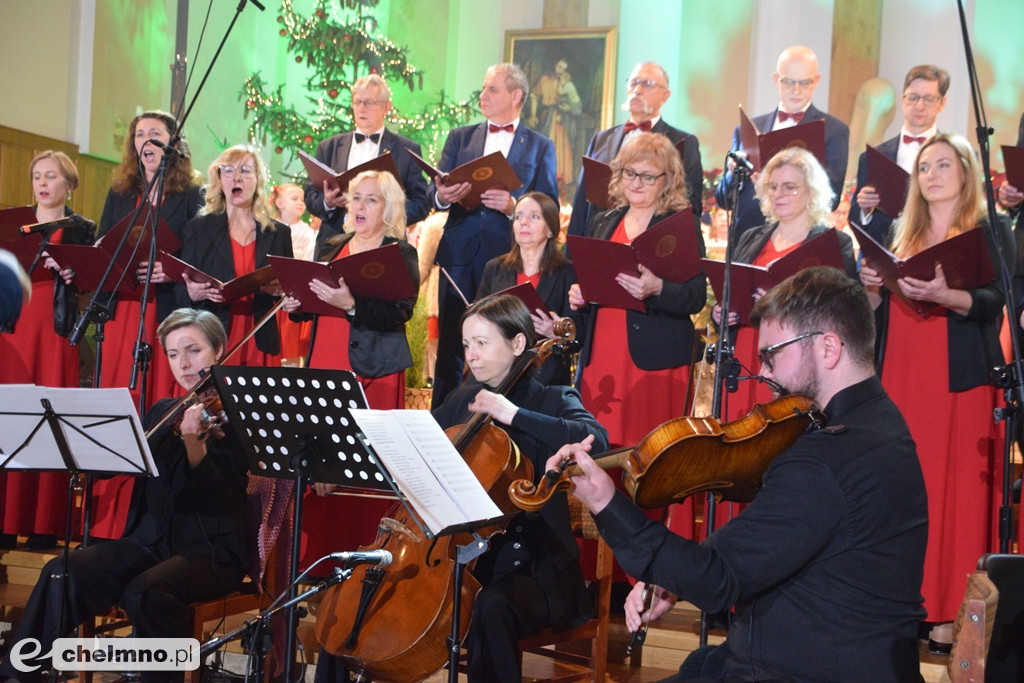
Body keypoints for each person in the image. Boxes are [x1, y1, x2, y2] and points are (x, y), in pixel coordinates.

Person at [562, 266, 928, 682]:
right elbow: (769, 538)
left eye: (772, 354)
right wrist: (675, 579)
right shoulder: (882, 424)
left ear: (828, 348)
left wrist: (606, 504)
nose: (765, 373)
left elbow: (720, 581)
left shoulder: (825, 459)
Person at [0, 309, 250, 683]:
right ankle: (21, 672)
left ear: (218, 350)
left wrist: (194, 446)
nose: (183, 363)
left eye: (193, 350)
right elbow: (117, 464)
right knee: (63, 570)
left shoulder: (239, 418)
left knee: (146, 592)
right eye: (172, 353)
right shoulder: (164, 411)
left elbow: (220, 496)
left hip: (211, 552)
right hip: (148, 542)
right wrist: (79, 450)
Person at [859, 132, 1012, 653]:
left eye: (943, 165)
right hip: (903, 371)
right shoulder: (904, 233)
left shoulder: (988, 228)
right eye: (924, 167)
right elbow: (874, 316)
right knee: (904, 490)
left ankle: (954, 613)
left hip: (960, 376)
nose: (932, 175)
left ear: (966, 172)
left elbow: (1002, 297)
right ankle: (904, 603)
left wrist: (953, 296)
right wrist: (872, 292)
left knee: (957, 490)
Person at [431, 294, 609, 683]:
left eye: (481, 342)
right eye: (466, 345)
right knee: (359, 588)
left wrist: (512, 414)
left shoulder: (552, 398)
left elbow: (598, 438)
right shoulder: (462, 400)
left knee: (489, 605)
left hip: (534, 569)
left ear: (517, 344)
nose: (471, 355)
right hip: (461, 563)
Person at [282, 169, 418, 570]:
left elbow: (401, 312)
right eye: (357, 198)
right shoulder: (332, 243)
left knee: (362, 465)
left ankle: (363, 563)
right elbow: (313, 297)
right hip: (326, 361)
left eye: (372, 200)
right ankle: (320, 564)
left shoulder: (400, 252)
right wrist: (297, 307)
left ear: (388, 208)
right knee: (323, 459)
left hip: (372, 370)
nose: (360, 206)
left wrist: (352, 305)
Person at [87, 111, 204, 541]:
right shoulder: (120, 191)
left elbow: (198, 252)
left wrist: (171, 272)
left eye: (157, 133)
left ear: (174, 143)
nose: (148, 140)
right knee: (122, 399)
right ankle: (111, 517)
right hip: (124, 312)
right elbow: (103, 244)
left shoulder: (191, 194)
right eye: (140, 134)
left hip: (167, 311)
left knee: (158, 402)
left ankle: (156, 510)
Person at [428, 63, 558, 406]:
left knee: (506, 346)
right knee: (452, 349)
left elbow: (550, 207)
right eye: (483, 89)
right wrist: (444, 196)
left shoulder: (541, 145)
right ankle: (444, 425)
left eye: (492, 90)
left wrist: (513, 206)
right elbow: (435, 192)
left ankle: (503, 425)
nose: (483, 96)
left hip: (507, 259)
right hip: (459, 256)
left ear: (516, 96)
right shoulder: (460, 137)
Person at [569, 132, 706, 450]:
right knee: (601, 445)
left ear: (667, 180)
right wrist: (582, 295)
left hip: (655, 358)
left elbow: (696, 295)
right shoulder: (603, 222)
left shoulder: (679, 225)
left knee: (649, 454)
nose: (636, 182)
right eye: (629, 173)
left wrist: (657, 288)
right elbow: (594, 283)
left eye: (647, 176)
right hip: (603, 350)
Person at [712, 147, 856, 422]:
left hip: (797, 361)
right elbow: (732, 291)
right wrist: (721, 312)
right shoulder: (751, 237)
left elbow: (843, 313)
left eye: (789, 187)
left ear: (811, 191)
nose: (778, 194)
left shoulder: (832, 243)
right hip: (746, 354)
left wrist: (784, 307)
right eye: (773, 187)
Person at [0, 151, 96, 551]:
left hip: (56, 332)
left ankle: (43, 524)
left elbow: (93, 280)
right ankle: (5, 521)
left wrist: (74, 274)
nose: (42, 183)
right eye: (37, 175)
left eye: (51, 176)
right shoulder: (13, 224)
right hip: (15, 327)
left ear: (68, 185)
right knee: (10, 417)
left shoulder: (82, 229)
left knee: (49, 418)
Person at [715, 45, 849, 239]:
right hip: (748, 238)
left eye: (804, 83)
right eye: (788, 82)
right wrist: (731, 175)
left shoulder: (833, 131)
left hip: (800, 240)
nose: (796, 90)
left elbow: (832, 199)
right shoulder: (747, 130)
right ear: (776, 80)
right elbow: (724, 200)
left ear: (816, 81)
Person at [176, 144, 293, 367]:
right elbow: (180, 293)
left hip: (260, 341)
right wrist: (192, 293)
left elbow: (292, 292)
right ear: (219, 180)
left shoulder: (278, 234)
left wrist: (281, 291)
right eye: (228, 171)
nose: (236, 178)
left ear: (257, 179)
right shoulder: (197, 229)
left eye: (245, 171)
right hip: (214, 340)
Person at [568, 61, 703, 240]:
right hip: (601, 238)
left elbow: (690, 205)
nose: (637, 90)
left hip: (652, 242)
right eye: (633, 83)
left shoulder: (682, 142)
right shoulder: (601, 139)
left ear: (665, 96)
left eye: (647, 84)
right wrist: (572, 255)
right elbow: (581, 203)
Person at [304, 74, 429, 252]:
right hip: (333, 245)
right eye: (357, 102)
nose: (362, 108)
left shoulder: (406, 150)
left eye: (370, 102)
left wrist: (385, 213)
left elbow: (422, 202)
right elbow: (310, 196)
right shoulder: (329, 147)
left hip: (385, 247)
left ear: (386, 107)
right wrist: (328, 203)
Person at [476, 191, 578, 386]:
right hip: (497, 373)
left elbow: (579, 332)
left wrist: (554, 331)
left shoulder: (567, 273)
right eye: (519, 216)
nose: (524, 222)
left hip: (546, 376)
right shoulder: (494, 268)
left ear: (550, 229)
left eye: (534, 217)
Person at [851, 65, 949, 244]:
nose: (919, 106)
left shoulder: (955, 157)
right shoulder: (873, 158)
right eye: (913, 98)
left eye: (928, 99)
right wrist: (865, 210)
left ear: (942, 103)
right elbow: (857, 222)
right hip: (886, 255)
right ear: (903, 100)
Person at [268, 182, 317, 366]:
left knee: (291, 344)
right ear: (280, 203)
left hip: (293, 293)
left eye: (302, 200)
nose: (300, 203)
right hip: (273, 292)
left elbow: (309, 259)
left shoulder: (307, 232)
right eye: (294, 199)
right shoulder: (271, 229)